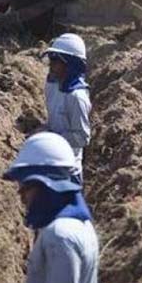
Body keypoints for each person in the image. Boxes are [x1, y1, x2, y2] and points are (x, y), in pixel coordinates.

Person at [5, 132, 99, 283]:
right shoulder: (77, 223)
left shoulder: (61, 236)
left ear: (44, 185)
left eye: (26, 186)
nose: (21, 195)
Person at [43, 33, 91, 181]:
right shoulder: (52, 86)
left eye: (56, 60)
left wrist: (52, 138)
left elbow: (82, 137)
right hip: (50, 161)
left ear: (71, 64)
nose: (51, 64)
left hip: (69, 171)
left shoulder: (76, 97)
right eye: (51, 59)